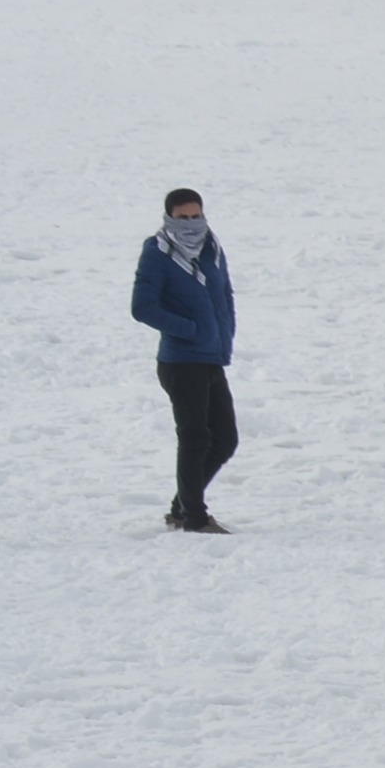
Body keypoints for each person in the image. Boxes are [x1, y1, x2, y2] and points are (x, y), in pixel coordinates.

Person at [130, 187, 239, 530]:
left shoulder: (212, 248)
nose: (191, 224)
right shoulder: (157, 253)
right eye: (183, 218)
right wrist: (189, 330)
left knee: (224, 439)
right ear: (169, 218)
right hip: (180, 361)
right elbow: (142, 307)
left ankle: (182, 505)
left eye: (196, 216)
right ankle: (193, 517)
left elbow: (224, 292)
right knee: (195, 438)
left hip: (211, 357)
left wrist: (225, 331)